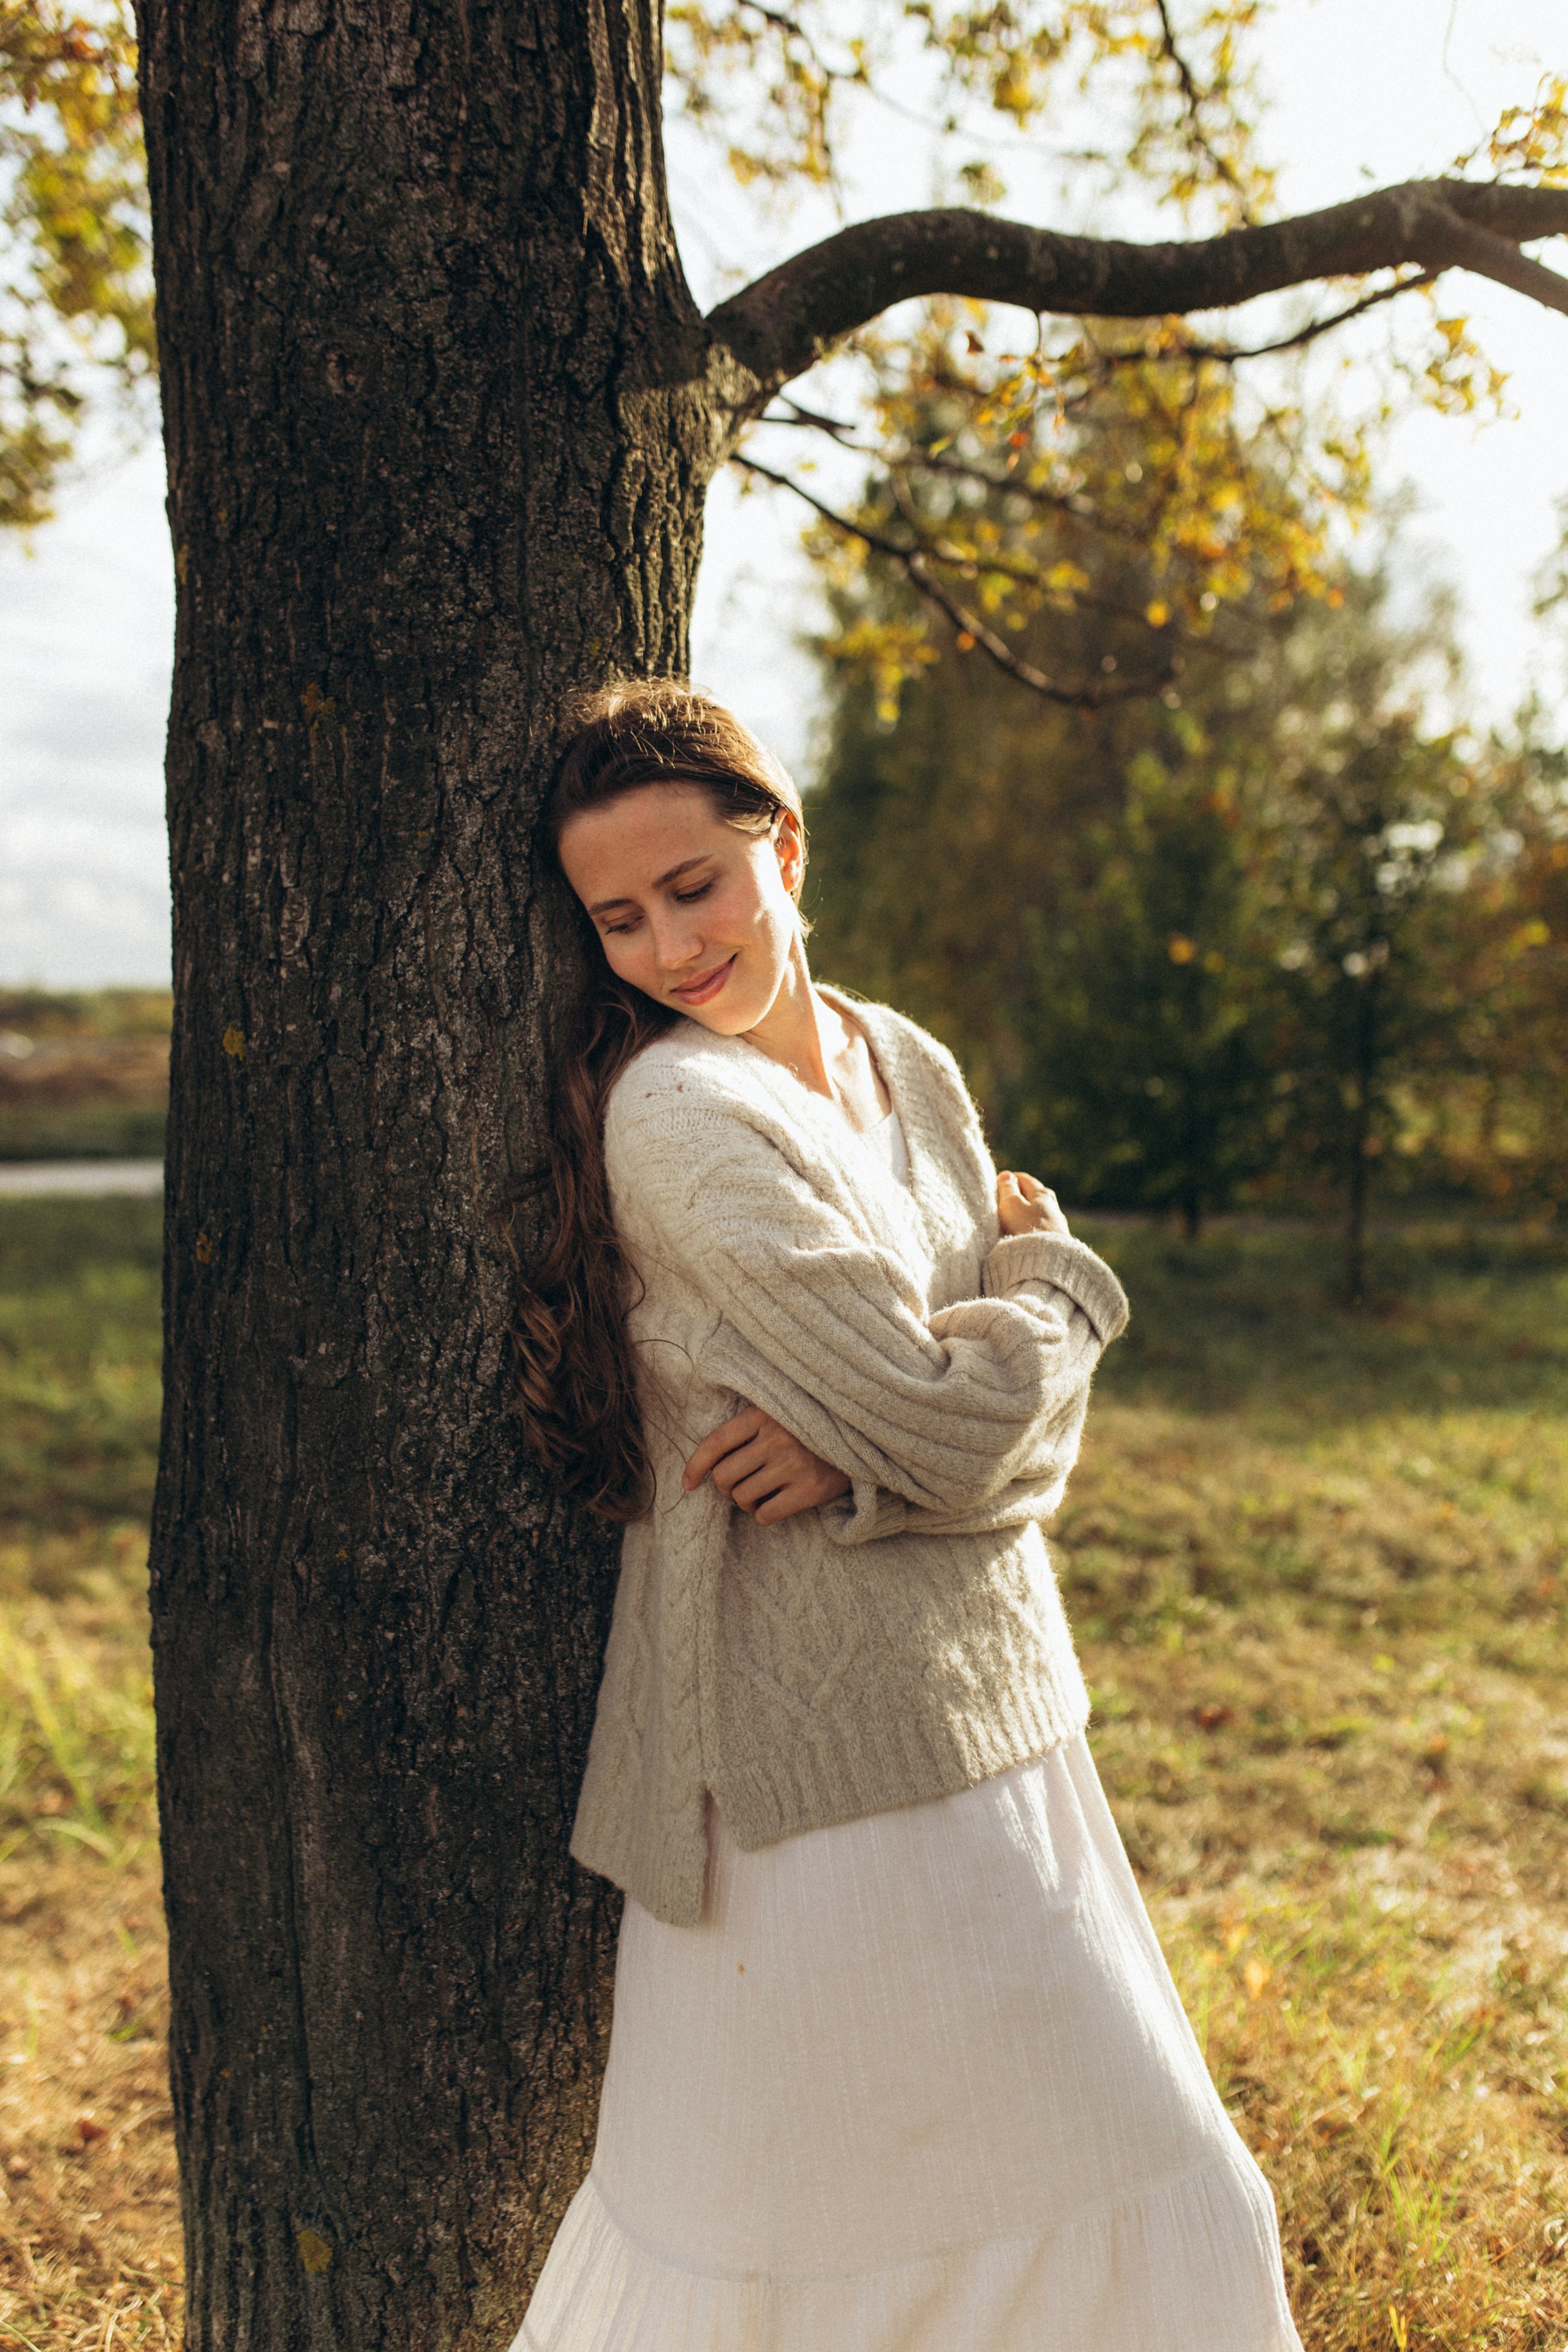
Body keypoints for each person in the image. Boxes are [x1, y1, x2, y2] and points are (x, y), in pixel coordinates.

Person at [510, 679, 1301, 2351]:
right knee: (827, 2253)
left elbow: (964, 1441)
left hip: (1003, 1706)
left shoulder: (909, 1063)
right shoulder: (683, 1119)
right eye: (620, 919)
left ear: (781, 845)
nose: (667, 944)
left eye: (696, 886)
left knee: (1154, 2193)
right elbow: (963, 1416)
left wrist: (886, 1450)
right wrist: (1055, 1290)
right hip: (807, 1773)